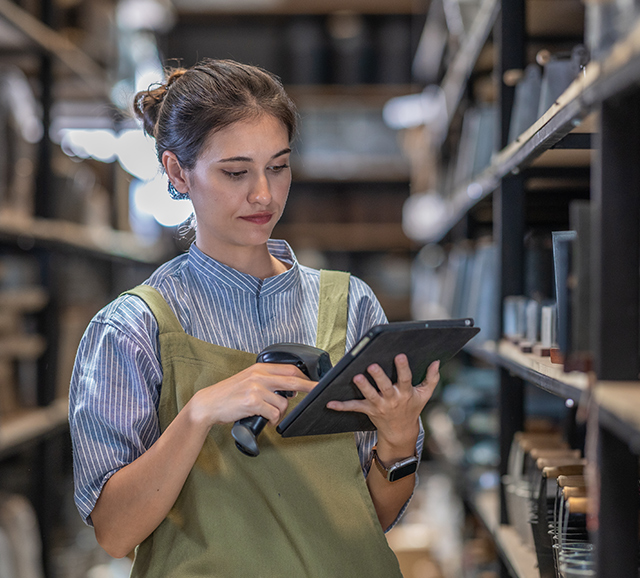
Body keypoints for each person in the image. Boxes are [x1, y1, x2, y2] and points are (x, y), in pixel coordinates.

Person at [68, 58, 441, 577]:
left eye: (279, 166)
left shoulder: (351, 305)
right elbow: (114, 532)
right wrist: (199, 413)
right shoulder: (132, 330)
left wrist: (399, 439)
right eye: (236, 172)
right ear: (178, 171)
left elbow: (368, 520)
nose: (263, 194)